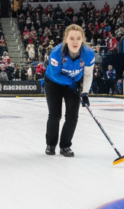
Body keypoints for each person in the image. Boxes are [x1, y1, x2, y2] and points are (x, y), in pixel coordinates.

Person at [43, 24, 95, 157]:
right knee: (55, 115)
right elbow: (55, 74)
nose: (75, 42)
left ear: (82, 39)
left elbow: (88, 74)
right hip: (53, 82)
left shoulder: (88, 54)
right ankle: (50, 144)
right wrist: (71, 83)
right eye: (71, 38)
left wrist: (85, 93)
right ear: (66, 39)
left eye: (78, 38)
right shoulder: (56, 52)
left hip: (73, 82)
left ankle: (65, 146)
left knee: (72, 116)